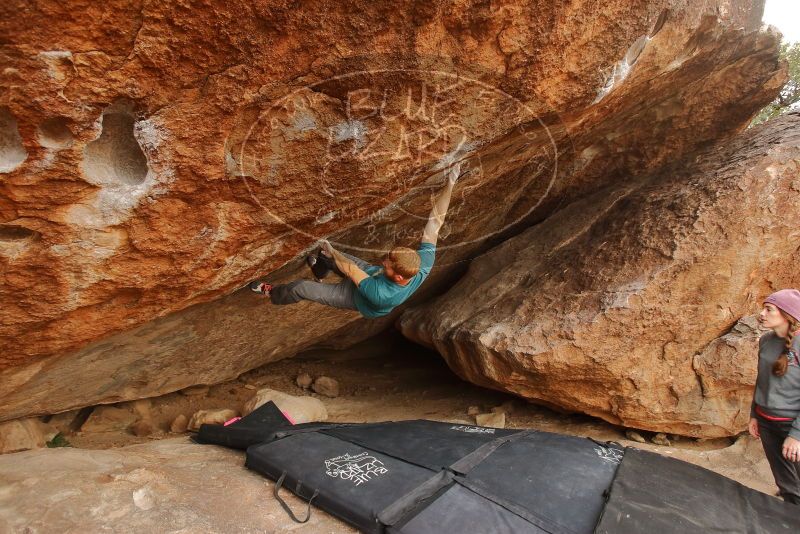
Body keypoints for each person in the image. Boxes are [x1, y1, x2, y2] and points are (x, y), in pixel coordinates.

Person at [249, 161, 462, 318]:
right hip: (371, 276)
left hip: (356, 297)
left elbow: (351, 270)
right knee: (326, 256)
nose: (384, 261)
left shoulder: (383, 295)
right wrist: (451, 182)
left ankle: (271, 293)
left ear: (398, 277)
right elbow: (435, 222)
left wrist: (332, 249)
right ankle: (320, 270)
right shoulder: (422, 263)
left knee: (301, 287)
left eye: (389, 264)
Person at [748, 289, 800, 505]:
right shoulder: (766, 341)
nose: (762, 313)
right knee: (783, 476)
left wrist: (796, 435)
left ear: (787, 316)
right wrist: (754, 415)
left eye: (769, 309)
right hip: (766, 419)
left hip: (791, 425)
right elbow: (762, 381)